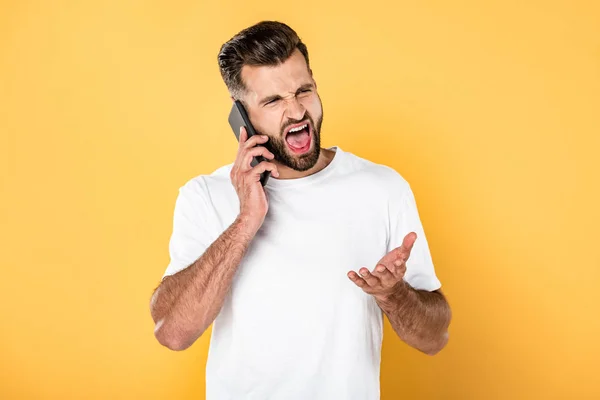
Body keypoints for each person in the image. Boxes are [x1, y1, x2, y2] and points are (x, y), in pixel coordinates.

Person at [150, 20, 452, 400]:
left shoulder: (383, 188)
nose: (296, 113)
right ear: (240, 113)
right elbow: (173, 332)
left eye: (303, 91)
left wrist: (394, 295)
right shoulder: (206, 196)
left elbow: (434, 338)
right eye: (273, 101)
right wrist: (245, 221)